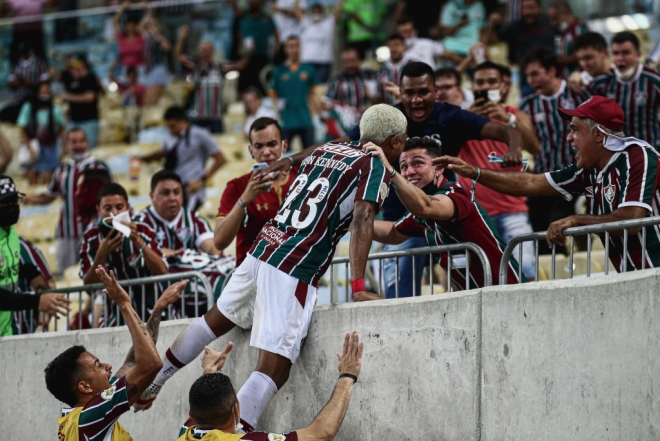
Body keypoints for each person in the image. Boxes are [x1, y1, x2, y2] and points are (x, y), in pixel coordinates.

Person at [132, 105, 404, 425]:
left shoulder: (330, 147)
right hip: (294, 267)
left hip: (261, 250)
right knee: (275, 367)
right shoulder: (375, 164)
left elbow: (323, 147)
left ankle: (154, 381)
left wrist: (290, 160)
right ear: (396, 142)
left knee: (212, 321)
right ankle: (236, 433)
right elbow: (363, 218)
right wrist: (358, 287)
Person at [265, 61, 524, 298]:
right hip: (409, 217)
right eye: (409, 93)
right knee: (402, 295)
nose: (416, 99)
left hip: (449, 221)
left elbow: (506, 130)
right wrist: (292, 162)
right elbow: (391, 228)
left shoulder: (454, 178)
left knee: (455, 290)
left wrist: (513, 150)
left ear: (436, 91)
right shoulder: (388, 120)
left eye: (423, 91)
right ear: (400, 92)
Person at [436, 96, 660, 272]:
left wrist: (575, 219)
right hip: (634, 273)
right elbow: (531, 183)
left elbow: (632, 221)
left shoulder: (636, 155)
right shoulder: (586, 168)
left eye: (575, 129)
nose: (569, 138)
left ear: (599, 135)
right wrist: (474, 172)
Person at [44, 266, 187, 441]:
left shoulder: (86, 411)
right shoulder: (89, 419)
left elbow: (134, 361)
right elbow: (151, 364)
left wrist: (158, 307)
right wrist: (124, 304)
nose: (108, 366)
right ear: (85, 387)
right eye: (98, 366)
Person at [367, 137, 525, 289]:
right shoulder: (421, 210)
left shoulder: (455, 194)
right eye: (403, 167)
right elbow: (394, 232)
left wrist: (390, 171)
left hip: (510, 293)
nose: (409, 172)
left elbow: (425, 206)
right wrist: (353, 221)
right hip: (480, 300)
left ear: (439, 168)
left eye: (418, 163)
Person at [178, 331, 364, 441]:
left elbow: (205, 401)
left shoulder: (184, 434)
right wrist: (347, 376)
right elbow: (320, 435)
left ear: (192, 415)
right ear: (236, 410)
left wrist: (208, 372)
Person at [459, 61, 540, 279]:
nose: (486, 86)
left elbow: (535, 147)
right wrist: (466, 119)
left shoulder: (515, 113)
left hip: (513, 209)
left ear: (504, 86)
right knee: (480, 278)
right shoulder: (459, 117)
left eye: (492, 82)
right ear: (472, 87)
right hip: (476, 213)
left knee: (527, 273)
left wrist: (508, 119)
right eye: (480, 82)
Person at [518, 48, 590, 247]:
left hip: (578, 179)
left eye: (535, 74)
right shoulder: (526, 105)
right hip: (544, 180)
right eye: (527, 75)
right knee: (540, 237)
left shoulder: (579, 94)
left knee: (559, 228)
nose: (530, 80)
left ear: (551, 71)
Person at [135, 170, 229, 317]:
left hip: (188, 290)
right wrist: (166, 252)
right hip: (153, 293)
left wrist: (215, 251)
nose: (172, 198)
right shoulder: (140, 222)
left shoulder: (192, 218)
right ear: (152, 196)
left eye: (176, 192)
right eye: (165, 193)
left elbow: (210, 245)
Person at [23, 128, 111, 274]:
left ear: (88, 143)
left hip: (94, 231)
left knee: (95, 273)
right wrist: (30, 199)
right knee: (67, 274)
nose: (78, 146)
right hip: (66, 233)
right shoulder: (62, 169)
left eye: (81, 141)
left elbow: (112, 194)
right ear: (67, 144)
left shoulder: (100, 167)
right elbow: (50, 195)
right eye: (73, 142)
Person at [215, 117, 299, 267]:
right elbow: (219, 242)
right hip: (253, 279)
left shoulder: (302, 178)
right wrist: (244, 200)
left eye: (272, 144)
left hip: (295, 274)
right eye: (259, 146)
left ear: (284, 146)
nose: (266, 152)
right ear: (251, 151)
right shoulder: (237, 187)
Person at [79, 183, 167, 324]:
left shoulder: (143, 230)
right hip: (114, 315)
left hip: (152, 311)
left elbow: (162, 271)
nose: (114, 213)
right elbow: (88, 288)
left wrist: (138, 241)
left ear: (128, 207)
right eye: (108, 208)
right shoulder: (91, 238)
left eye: (119, 207)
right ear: (98, 210)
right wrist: (102, 254)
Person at [0, 174, 71, 336]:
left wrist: (30, 272)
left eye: (14, 201)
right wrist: (37, 302)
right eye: (4, 203)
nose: (11, 207)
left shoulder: (11, 234)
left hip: (6, 331)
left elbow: (6, 268)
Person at [139, 106, 226, 211]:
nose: (170, 130)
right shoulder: (170, 136)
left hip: (191, 187)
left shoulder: (200, 134)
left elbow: (220, 159)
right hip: (174, 186)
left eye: (173, 126)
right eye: (168, 127)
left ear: (183, 122)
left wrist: (202, 180)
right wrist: (144, 159)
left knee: (186, 219)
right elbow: (163, 152)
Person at [587, 32, 660, 152]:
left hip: (650, 153)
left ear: (638, 54)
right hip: (615, 156)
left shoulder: (653, 80)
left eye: (625, 53)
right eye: (616, 53)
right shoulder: (601, 83)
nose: (620, 58)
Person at [487, 0, 554, 95]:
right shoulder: (515, 26)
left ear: (539, 9)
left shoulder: (549, 22)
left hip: (550, 75)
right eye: (524, 8)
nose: (528, 12)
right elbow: (491, 41)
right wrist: (492, 25)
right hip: (526, 78)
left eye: (531, 8)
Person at [269, 36, 319, 150]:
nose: (293, 49)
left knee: (310, 155)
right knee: (285, 156)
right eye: (290, 46)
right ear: (286, 49)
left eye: (296, 46)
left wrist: (318, 115)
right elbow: (272, 93)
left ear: (300, 48)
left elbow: (313, 95)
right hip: (287, 120)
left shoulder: (308, 69)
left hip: (305, 119)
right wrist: (278, 105)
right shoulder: (278, 70)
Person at [176, 26, 226, 133]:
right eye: (203, 51)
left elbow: (239, 66)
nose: (205, 53)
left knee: (218, 143)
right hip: (197, 115)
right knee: (195, 143)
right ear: (199, 52)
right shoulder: (194, 66)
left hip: (215, 115)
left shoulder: (219, 67)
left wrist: (249, 53)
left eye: (208, 50)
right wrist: (181, 38)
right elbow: (179, 56)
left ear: (213, 52)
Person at [17, 81, 66, 185]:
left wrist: (64, 147)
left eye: (47, 93)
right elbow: (22, 129)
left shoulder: (55, 110)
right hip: (32, 147)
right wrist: (30, 148)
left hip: (50, 148)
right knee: (32, 180)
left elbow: (62, 129)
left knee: (47, 182)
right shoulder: (28, 108)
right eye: (42, 92)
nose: (45, 95)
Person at [59, 55, 103, 149]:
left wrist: (69, 97)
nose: (74, 68)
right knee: (66, 146)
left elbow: (90, 97)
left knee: (89, 148)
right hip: (74, 121)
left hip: (88, 121)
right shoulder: (73, 80)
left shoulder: (90, 78)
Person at [235, 0, 279, 95]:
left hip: (262, 57)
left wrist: (275, 47)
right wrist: (239, 54)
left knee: (263, 86)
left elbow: (277, 36)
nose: (254, 2)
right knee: (243, 87)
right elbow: (239, 38)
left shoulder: (266, 18)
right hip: (246, 58)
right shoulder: (243, 18)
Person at [0, 43, 49, 124]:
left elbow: (45, 81)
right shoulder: (16, 64)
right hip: (19, 99)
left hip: (35, 99)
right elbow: (11, 83)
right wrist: (21, 82)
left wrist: (31, 83)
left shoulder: (39, 63)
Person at [299, 1, 344, 83]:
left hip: (324, 62)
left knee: (320, 87)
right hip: (307, 62)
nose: (316, 13)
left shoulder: (328, 23)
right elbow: (296, 10)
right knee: (306, 86)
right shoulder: (305, 22)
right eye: (314, 11)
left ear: (322, 12)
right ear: (311, 12)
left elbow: (338, 10)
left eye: (318, 11)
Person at [548, 0, 589, 79]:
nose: (553, 23)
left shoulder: (580, 29)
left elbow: (585, 53)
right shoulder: (560, 32)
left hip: (580, 79)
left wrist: (561, 61)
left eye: (555, 19)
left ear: (565, 14)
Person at [141, 3, 172, 105]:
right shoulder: (146, 37)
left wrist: (156, 32)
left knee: (151, 102)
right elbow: (140, 27)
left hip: (158, 69)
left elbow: (167, 47)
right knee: (146, 102)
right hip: (148, 71)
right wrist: (148, 12)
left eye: (151, 23)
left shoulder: (158, 37)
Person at [324, 47, 372, 113]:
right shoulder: (336, 80)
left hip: (368, 116)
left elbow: (379, 97)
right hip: (346, 120)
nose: (349, 65)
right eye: (346, 62)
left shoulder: (368, 76)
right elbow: (327, 102)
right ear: (342, 63)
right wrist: (338, 106)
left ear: (359, 60)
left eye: (352, 60)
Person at [376, 33, 414, 106]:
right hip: (388, 112)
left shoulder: (413, 66)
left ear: (404, 47)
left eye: (397, 45)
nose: (394, 49)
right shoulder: (381, 70)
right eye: (391, 46)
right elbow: (379, 95)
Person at [113, 2, 145, 70]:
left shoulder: (141, 37)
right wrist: (122, 9)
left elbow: (145, 22)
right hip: (125, 69)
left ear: (136, 26)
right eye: (129, 25)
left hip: (140, 68)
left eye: (133, 25)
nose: (131, 27)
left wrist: (145, 7)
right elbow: (114, 23)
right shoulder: (122, 38)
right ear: (126, 27)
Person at [271, 0, 305, 64]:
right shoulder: (277, 1)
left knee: (293, 66)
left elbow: (300, 15)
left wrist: (281, 10)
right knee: (278, 67)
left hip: (292, 39)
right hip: (279, 40)